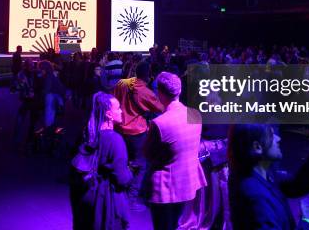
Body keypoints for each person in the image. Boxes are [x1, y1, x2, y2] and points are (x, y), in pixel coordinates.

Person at [227, 124, 309, 230]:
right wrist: (308, 223)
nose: (279, 139)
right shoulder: (254, 196)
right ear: (257, 147)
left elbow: (296, 186)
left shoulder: (262, 175)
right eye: (272, 136)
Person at [144, 71, 207, 230]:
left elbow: (148, 154)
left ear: (160, 93)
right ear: (180, 91)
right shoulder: (195, 114)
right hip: (187, 183)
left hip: (165, 189)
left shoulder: (159, 123)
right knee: (174, 223)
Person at [70, 92, 132, 230]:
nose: (121, 111)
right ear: (109, 114)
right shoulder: (115, 140)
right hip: (105, 202)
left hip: (86, 198)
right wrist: (130, 173)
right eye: (118, 108)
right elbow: (121, 179)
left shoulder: (87, 134)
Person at [113, 61, 164, 210]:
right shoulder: (146, 92)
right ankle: (130, 200)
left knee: (122, 162)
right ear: (148, 76)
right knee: (140, 166)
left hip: (119, 131)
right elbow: (161, 108)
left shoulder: (121, 83)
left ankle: (118, 193)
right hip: (137, 133)